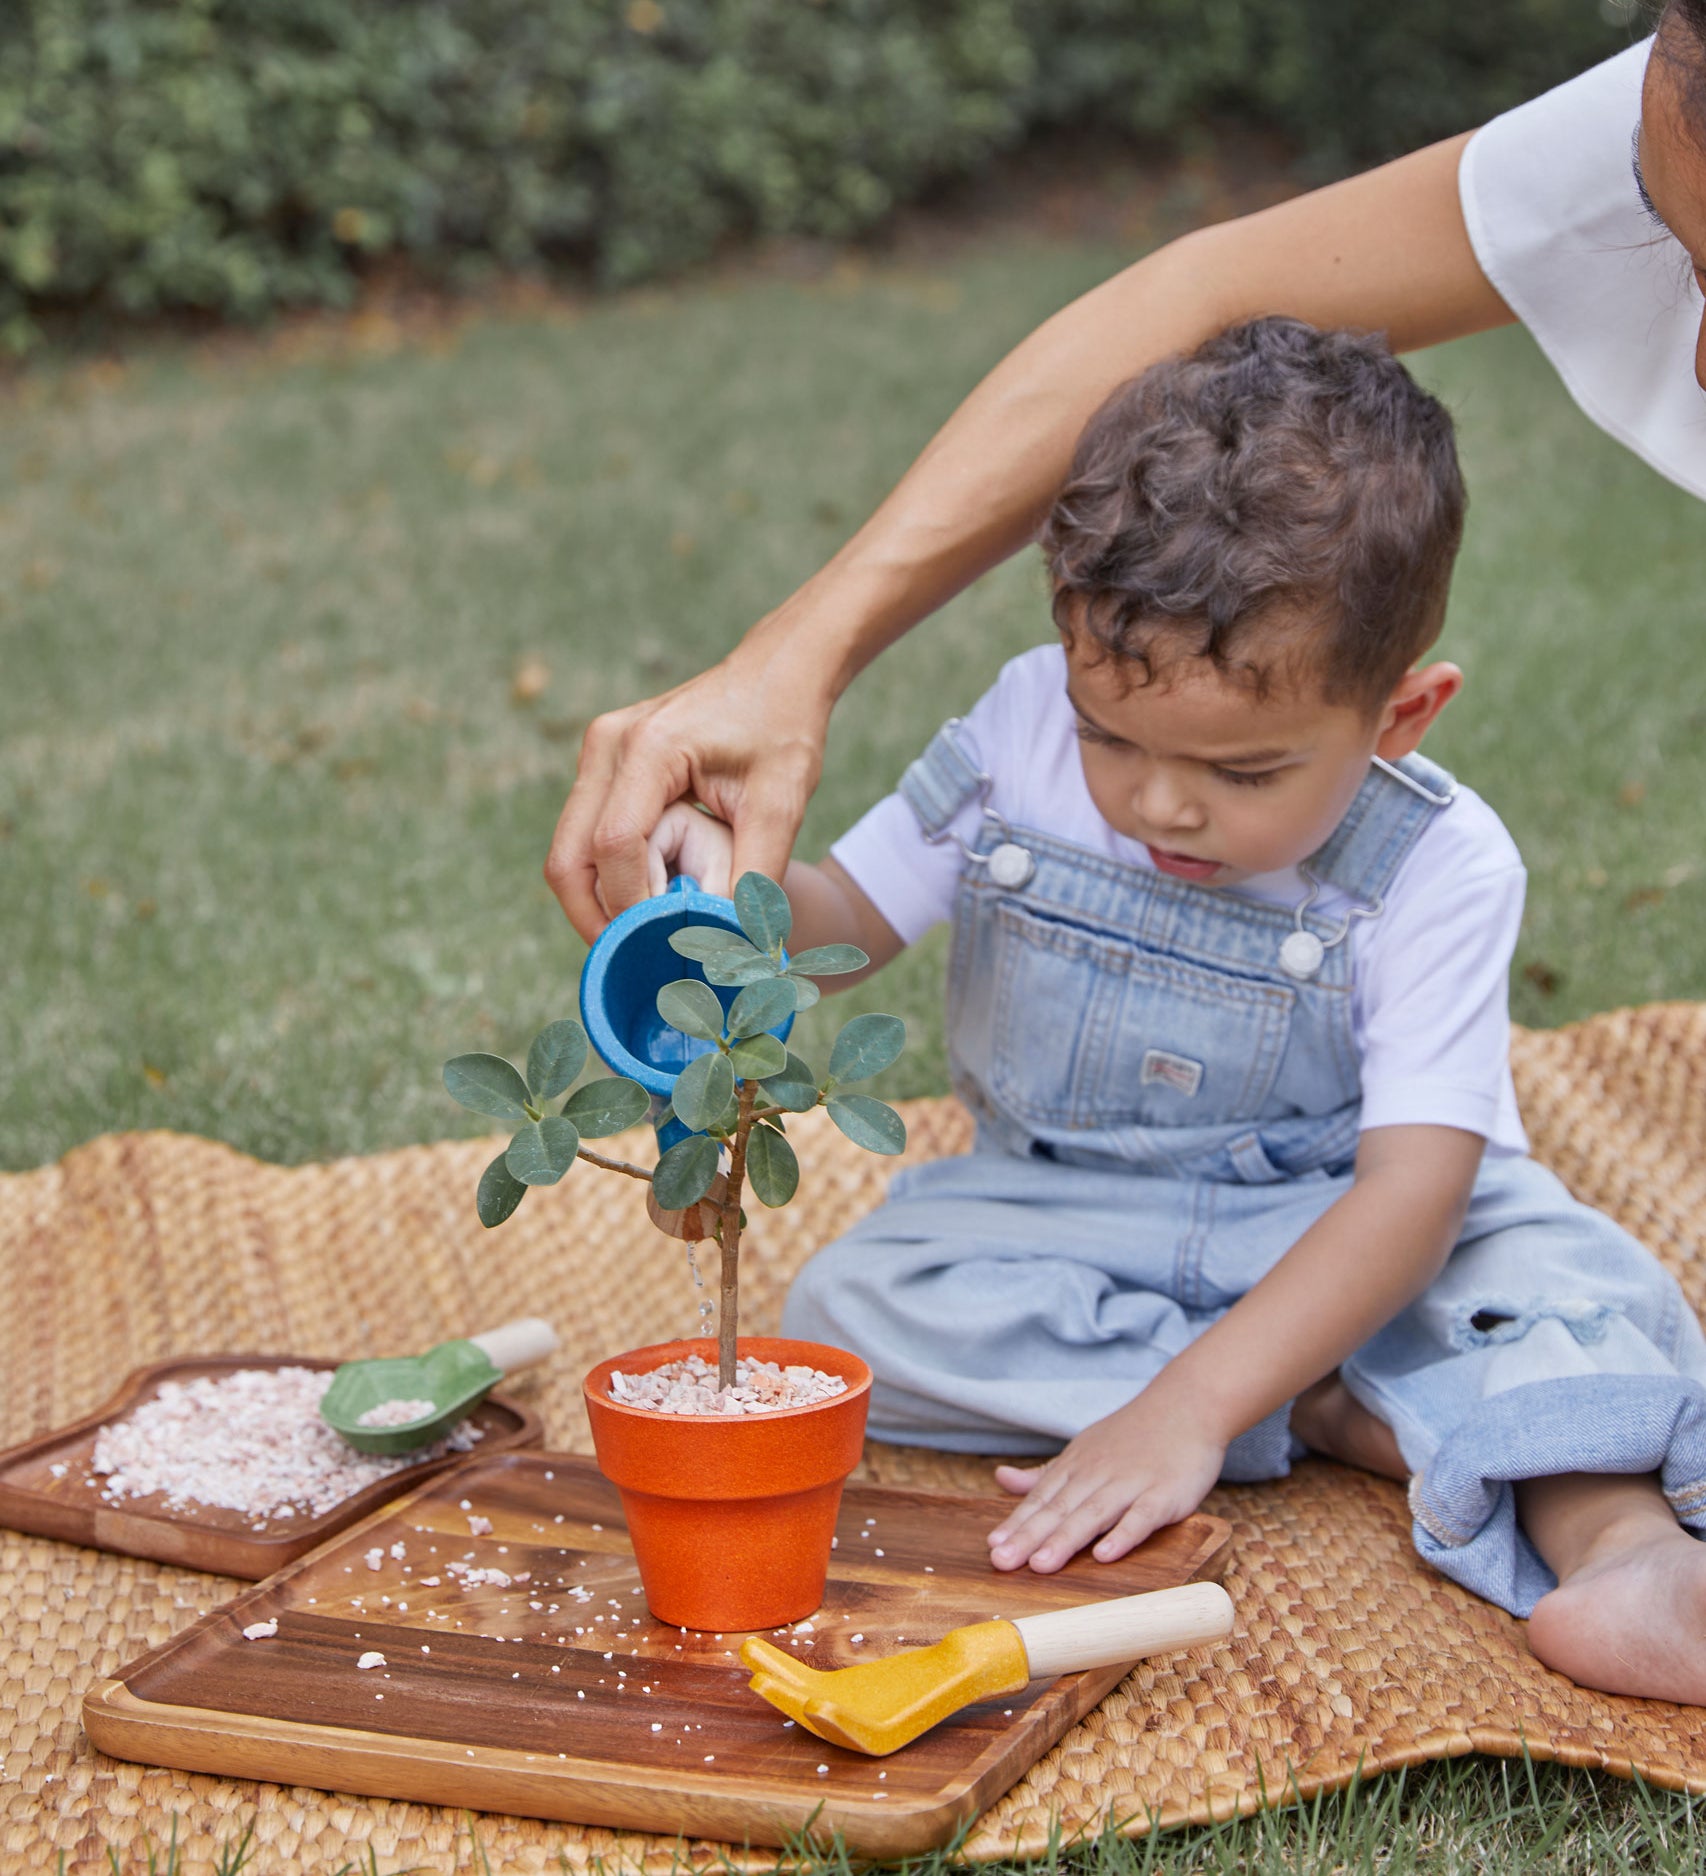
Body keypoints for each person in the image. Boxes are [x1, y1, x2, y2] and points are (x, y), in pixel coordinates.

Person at [643, 316, 1706, 1708]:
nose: (1155, 803)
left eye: (1242, 769)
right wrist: (728, 901)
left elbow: (1413, 1193)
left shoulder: (1441, 863)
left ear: (1401, 714)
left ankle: (1627, 1559)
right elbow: (845, 918)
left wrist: (1188, 1403)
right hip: (1068, 1208)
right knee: (855, 1308)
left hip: (1349, 1217)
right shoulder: (1021, 726)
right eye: (1111, 738)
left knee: (1569, 1304)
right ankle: (1334, 1400)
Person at [545, 12, 1706, 939]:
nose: (1690, 360)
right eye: (1672, 243)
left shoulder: (1433, 873)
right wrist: (785, 665)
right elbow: (1196, 302)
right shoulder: (1677, 100)